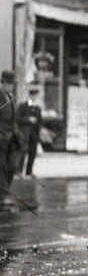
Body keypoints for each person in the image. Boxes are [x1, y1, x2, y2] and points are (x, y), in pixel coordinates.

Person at [0, 71, 22, 209]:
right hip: (1, 138)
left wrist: (17, 133)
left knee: (12, 166)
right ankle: (2, 197)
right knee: (1, 167)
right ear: (3, 82)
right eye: (9, 84)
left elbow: (13, 118)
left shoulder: (10, 96)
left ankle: (4, 193)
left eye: (12, 84)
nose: (11, 87)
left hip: (11, 138)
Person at [17, 86, 43, 178]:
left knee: (32, 153)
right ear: (29, 96)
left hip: (34, 134)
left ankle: (29, 171)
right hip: (24, 133)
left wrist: (39, 134)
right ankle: (19, 171)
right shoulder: (22, 106)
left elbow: (40, 121)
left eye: (35, 96)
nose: (34, 97)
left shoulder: (38, 108)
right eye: (32, 95)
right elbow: (17, 119)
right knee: (22, 152)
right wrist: (28, 119)